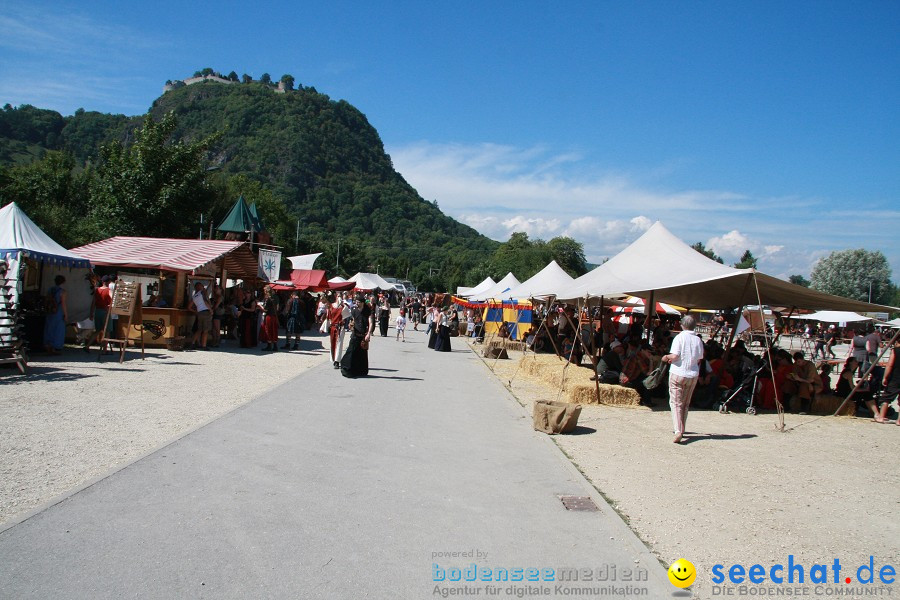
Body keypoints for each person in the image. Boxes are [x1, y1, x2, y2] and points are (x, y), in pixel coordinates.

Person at [662, 315, 705, 444]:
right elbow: (699, 359)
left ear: (682, 325)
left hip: (678, 372)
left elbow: (675, 356)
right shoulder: (698, 340)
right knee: (685, 403)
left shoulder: (679, 337)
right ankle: (682, 427)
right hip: (692, 374)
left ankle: (678, 430)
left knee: (675, 403)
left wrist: (665, 357)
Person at [341, 292, 375, 378]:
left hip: (363, 335)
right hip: (355, 334)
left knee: (361, 354)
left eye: (358, 302)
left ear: (362, 302)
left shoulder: (368, 311)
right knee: (351, 351)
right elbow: (352, 320)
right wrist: (350, 325)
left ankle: (360, 371)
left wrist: (368, 334)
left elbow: (370, 323)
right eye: (356, 301)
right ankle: (346, 369)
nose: (357, 303)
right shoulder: (354, 310)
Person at [43, 275, 68, 354]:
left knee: (49, 328)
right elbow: (63, 304)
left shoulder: (50, 290)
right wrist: (66, 314)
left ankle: (48, 344)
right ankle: (55, 346)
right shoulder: (62, 292)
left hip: (50, 311)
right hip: (58, 311)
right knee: (58, 329)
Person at [188, 281, 213, 350]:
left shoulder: (195, 296)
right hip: (205, 312)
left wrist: (196, 311)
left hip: (199, 313)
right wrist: (211, 310)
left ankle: (193, 343)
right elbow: (205, 302)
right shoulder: (202, 293)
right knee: (205, 330)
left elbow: (189, 307)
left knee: (199, 329)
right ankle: (204, 345)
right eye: (202, 286)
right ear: (200, 287)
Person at [259, 286, 280, 351]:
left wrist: (259, 305)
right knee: (274, 331)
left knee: (268, 330)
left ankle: (269, 345)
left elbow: (265, 309)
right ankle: (275, 346)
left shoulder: (268, 298)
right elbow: (277, 308)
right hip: (274, 316)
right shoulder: (276, 297)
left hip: (269, 316)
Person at [327, 293, 345, 368]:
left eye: (340, 296)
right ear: (336, 297)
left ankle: (337, 361)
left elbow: (346, 315)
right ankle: (333, 358)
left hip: (340, 327)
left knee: (339, 344)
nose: (339, 298)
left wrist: (343, 306)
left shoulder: (344, 307)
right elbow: (329, 317)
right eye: (338, 296)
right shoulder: (332, 306)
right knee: (333, 343)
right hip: (333, 327)